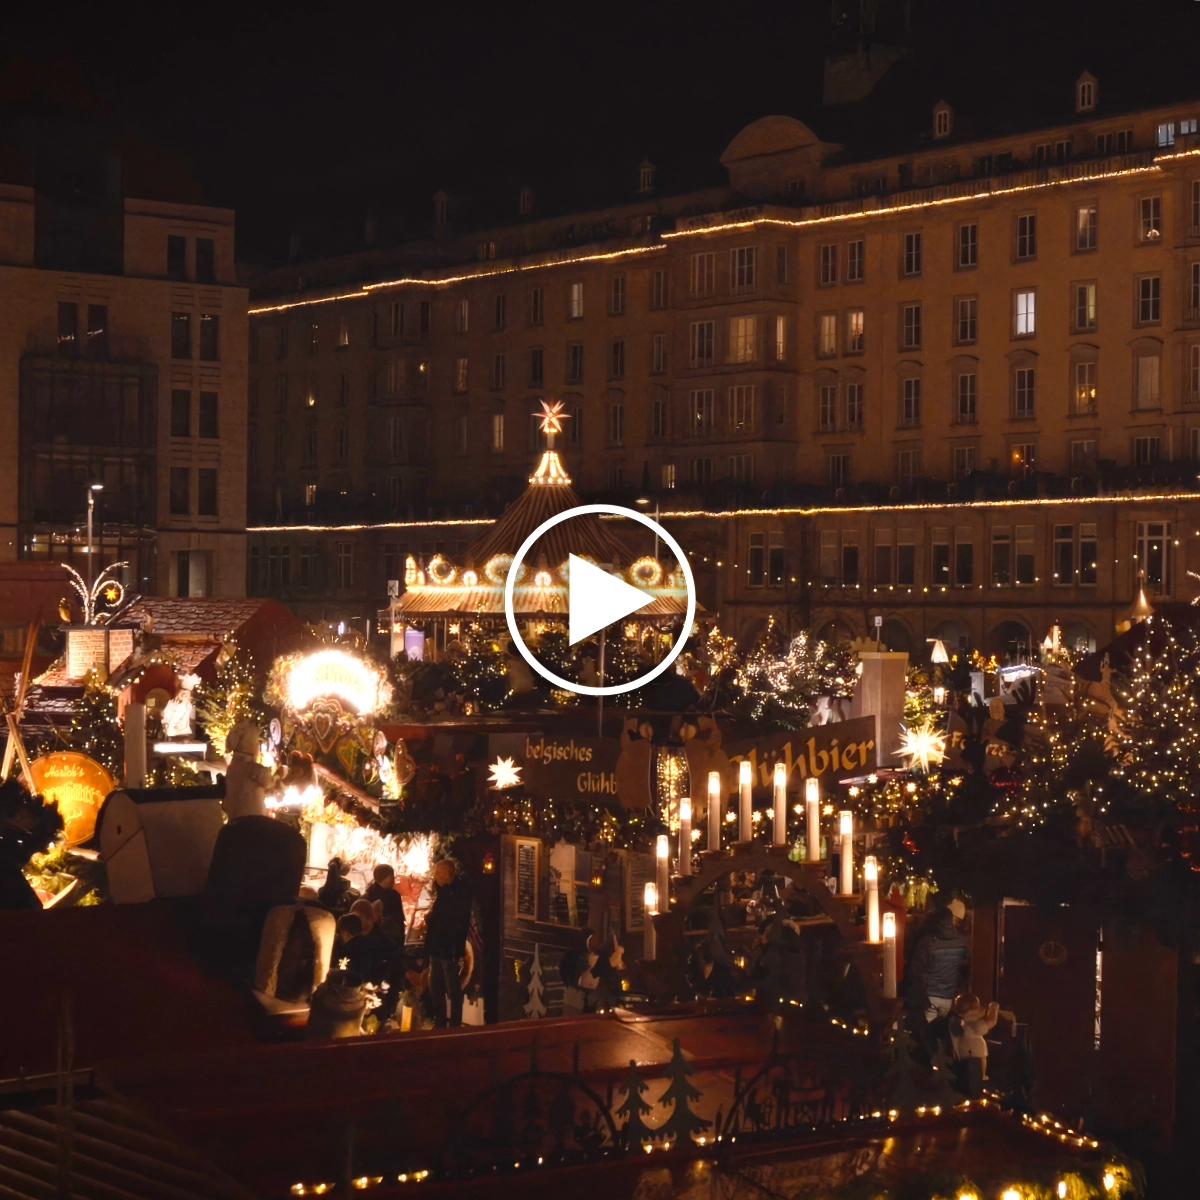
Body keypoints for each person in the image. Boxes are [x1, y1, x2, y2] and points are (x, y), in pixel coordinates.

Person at [424, 859, 473, 1028]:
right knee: (435, 986)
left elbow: (454, 921)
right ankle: (439, 1021)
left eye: (438, 873)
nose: (435, 876)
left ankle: (454, 1024)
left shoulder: (457, 894)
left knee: (452, 988)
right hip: (437, 946)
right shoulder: (444, 891)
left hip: (449, 947)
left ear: (447, 874)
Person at [909, 903, 970, 1023]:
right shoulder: (961, 942)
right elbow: (966, 962)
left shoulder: (928, 942)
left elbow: (916, 970)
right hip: (949, 996)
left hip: (929, 996)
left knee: (928, 1032)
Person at [950, 992, 1000, 1079]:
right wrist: (993, 1008)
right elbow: (991, 1022)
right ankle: (979, 1078)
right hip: (974, 1053)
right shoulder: (972, 1023)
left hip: (969, 1051)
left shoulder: (964, 1022)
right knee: (977, 1066)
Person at [366, 863, 406, 945]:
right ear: (384, 877)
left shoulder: (369, 893)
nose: (393, 878)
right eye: (391, 876)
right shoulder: (392, 895)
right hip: (386, 938)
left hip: (378, 938)